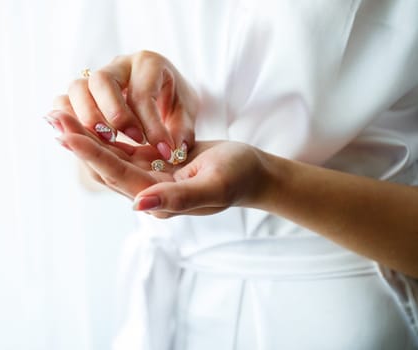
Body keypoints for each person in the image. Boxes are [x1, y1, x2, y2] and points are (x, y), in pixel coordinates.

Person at [46, 0, 418, 349]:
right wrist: (119, 124)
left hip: (342, 316)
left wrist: (269, 181)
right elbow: (83, 174)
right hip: (172, 314)